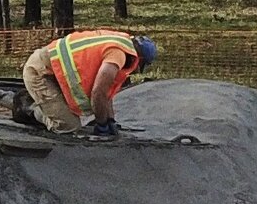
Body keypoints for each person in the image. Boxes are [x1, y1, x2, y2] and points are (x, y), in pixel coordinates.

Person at [15, 29, 158, 137]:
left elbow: (106, 93)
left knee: (72, 118)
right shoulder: (118, 55)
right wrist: (102, 124)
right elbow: (98, 93)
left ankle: (41, 102)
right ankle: (30, 109)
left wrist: (110, 120)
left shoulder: (120, 41)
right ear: (139, 59)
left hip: (54, 74)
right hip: (39, 72)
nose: (136, 72)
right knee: (68, 126)